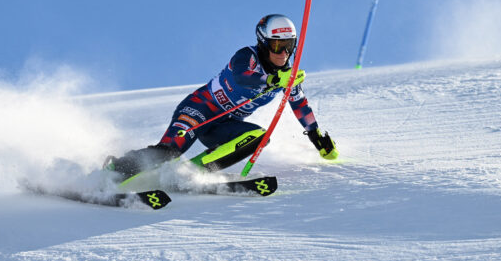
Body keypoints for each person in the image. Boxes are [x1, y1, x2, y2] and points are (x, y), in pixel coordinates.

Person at [104, 14, 338, 181]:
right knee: (170, 151)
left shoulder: (288, 74)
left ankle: (191, 174)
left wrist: (316, 137)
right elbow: (242, 77)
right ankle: (115, 169)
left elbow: (299, 104)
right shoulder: (247, 56)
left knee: (258, 137)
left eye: (290, 46)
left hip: (224, 125)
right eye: (278, 46)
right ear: (264, 43)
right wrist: (273, 81)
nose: (284, 53)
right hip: (199, 110)